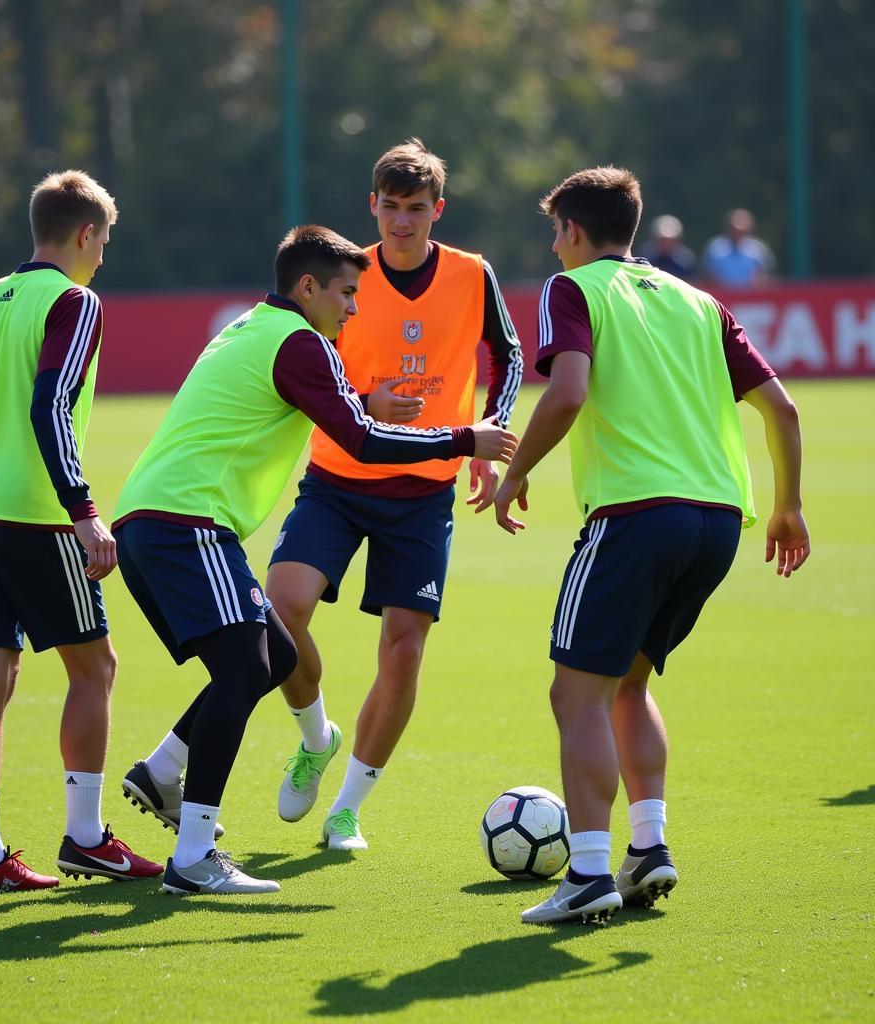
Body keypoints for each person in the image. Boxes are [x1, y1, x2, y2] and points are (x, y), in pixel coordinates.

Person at [114, 224, 516, 895]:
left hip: (158, 520)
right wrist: (463, 438)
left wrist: (362, 401)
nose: (355, 309)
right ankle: (192, 859)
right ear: (309, 287)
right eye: (346, 294)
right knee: (247, 670)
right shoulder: (302, 341)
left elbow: (321, 406)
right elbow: (358, 442)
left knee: (270, 656)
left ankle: (164, 770)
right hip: (187, 522)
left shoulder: (259, 327)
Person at [492, 166, 809, 925]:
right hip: (716, 523)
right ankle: (649, 849)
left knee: (575, 696)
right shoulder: (701, 301)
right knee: (626, 685)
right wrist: (788, 507)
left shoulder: (573, 290)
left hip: (635, 516)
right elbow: (783, 409)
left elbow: (567, 392)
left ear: (570, 230)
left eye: (555, 232)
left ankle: (590, 873)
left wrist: (516, 472)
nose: (554, 247)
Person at [0, 170, 163, 896]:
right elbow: (52, 408)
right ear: (83, 234)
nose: (104, 253)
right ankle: (87, 840)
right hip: (34, 514)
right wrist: (84, 511)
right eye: (103, 238)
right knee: (95, 668)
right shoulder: (75, 301)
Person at [258, 137, 523, 852]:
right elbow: (310, 361)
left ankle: (346, 809)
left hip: (424, 491)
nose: (402, 223)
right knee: (279, 613)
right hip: (338, 478)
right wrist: (362, 398)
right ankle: (316, 737)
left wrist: (489, 436)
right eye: (390, 207)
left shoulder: (473, 274)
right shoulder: (345, 273)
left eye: (416, 209)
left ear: (439, 210)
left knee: (403, 653)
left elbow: (511, 352)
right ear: (371, 205)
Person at [701, 208, 776, 288]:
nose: (737, 235)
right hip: (721, 296)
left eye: (741, 232)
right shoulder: (715, 248)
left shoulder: (758, 249)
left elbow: (767, 275)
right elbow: (707, 275)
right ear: (728, 228)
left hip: (750, 297)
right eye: (734, 231)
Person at [637, 214, 696, 281]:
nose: (666, 244)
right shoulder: (646, 257)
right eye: (663, 240)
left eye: (671, 240)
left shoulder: (685, 261)